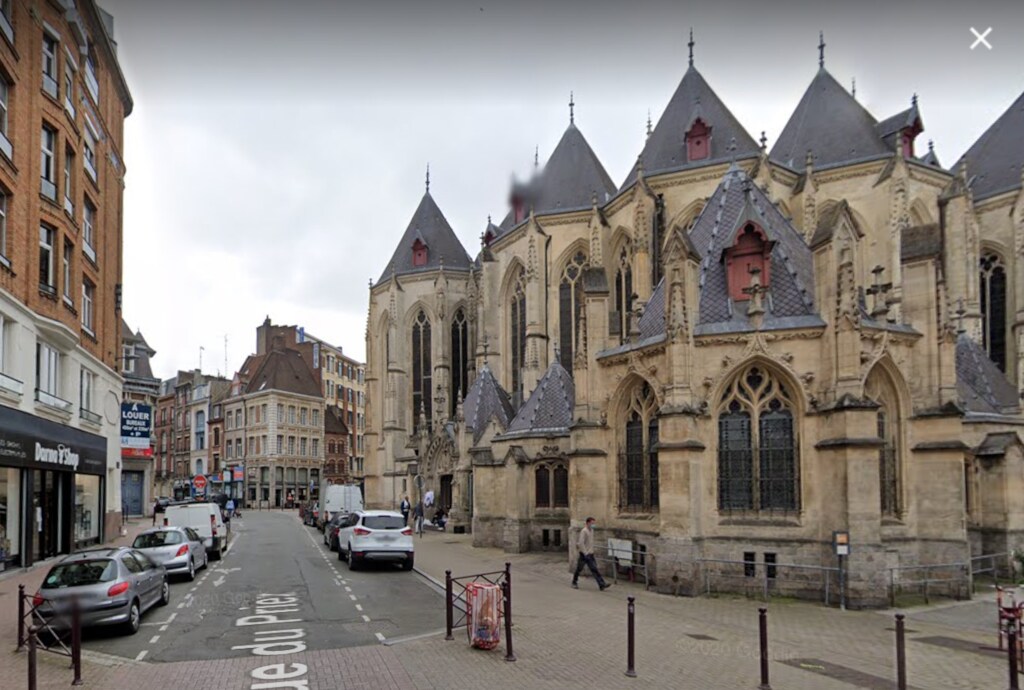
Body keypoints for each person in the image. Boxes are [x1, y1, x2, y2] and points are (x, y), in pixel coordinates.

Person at [572, 517, 609, 591]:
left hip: (590, 554)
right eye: (592, 523)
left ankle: (602, 584)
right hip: (584, 554)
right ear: (588, 523)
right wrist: (585, 553)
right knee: (579, 569)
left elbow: (590, 542)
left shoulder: (591, 530)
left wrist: (591, 551)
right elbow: (581, 543)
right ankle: (574, 582)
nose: (593, 524)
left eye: (594, 523)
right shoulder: (584, 531)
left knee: (594, 569)